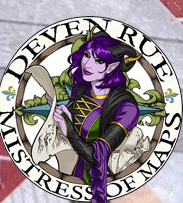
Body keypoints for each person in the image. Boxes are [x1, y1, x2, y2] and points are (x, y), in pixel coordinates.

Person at [51, 30, 142, 203]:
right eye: (87, 55)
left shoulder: (127, 108)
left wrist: (69, 130)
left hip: (95, 186)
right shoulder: (82, 90)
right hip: (69, 177)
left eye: (99, 60)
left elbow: (95, 156)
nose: (88, 64)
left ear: (112, 67)